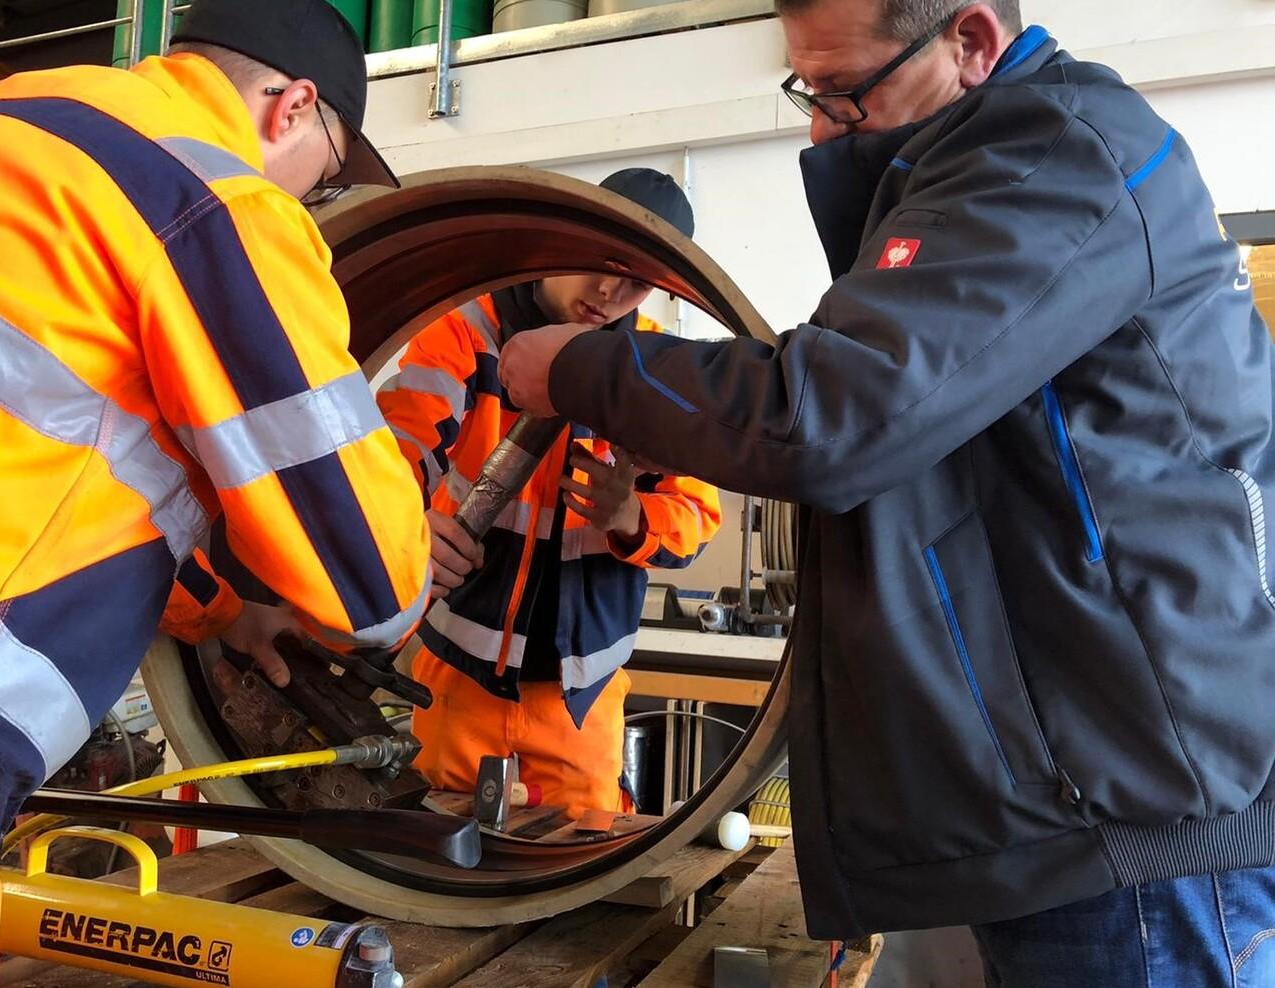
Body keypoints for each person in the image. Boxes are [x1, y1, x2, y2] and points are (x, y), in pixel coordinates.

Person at [498, 1, 1275, 984]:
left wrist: (579, 370)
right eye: (807, 93)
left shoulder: (1051, 155)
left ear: (973, 42)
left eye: (844, 94)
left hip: (1135, 838)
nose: (823, 128)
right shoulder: (977, 170)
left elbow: (830, 417)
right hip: (1064, 816)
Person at [0, 0, 431, 983]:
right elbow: (371, 577)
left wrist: (221, 612)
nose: (315, 201)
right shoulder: (207, 192)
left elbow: (8, 453)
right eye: (330, 172)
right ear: (290, 108)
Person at [377, 169, 722, 820]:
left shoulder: (657, 371)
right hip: (456, 686)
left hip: (577, 705)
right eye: (600, 262)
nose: (608, 292)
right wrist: (409, 526)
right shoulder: (467, 333)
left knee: (575, 885)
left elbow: (698, 515)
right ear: (563, 239)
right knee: (436, 874)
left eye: (638, 281)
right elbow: (393, 448)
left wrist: (631, 517)